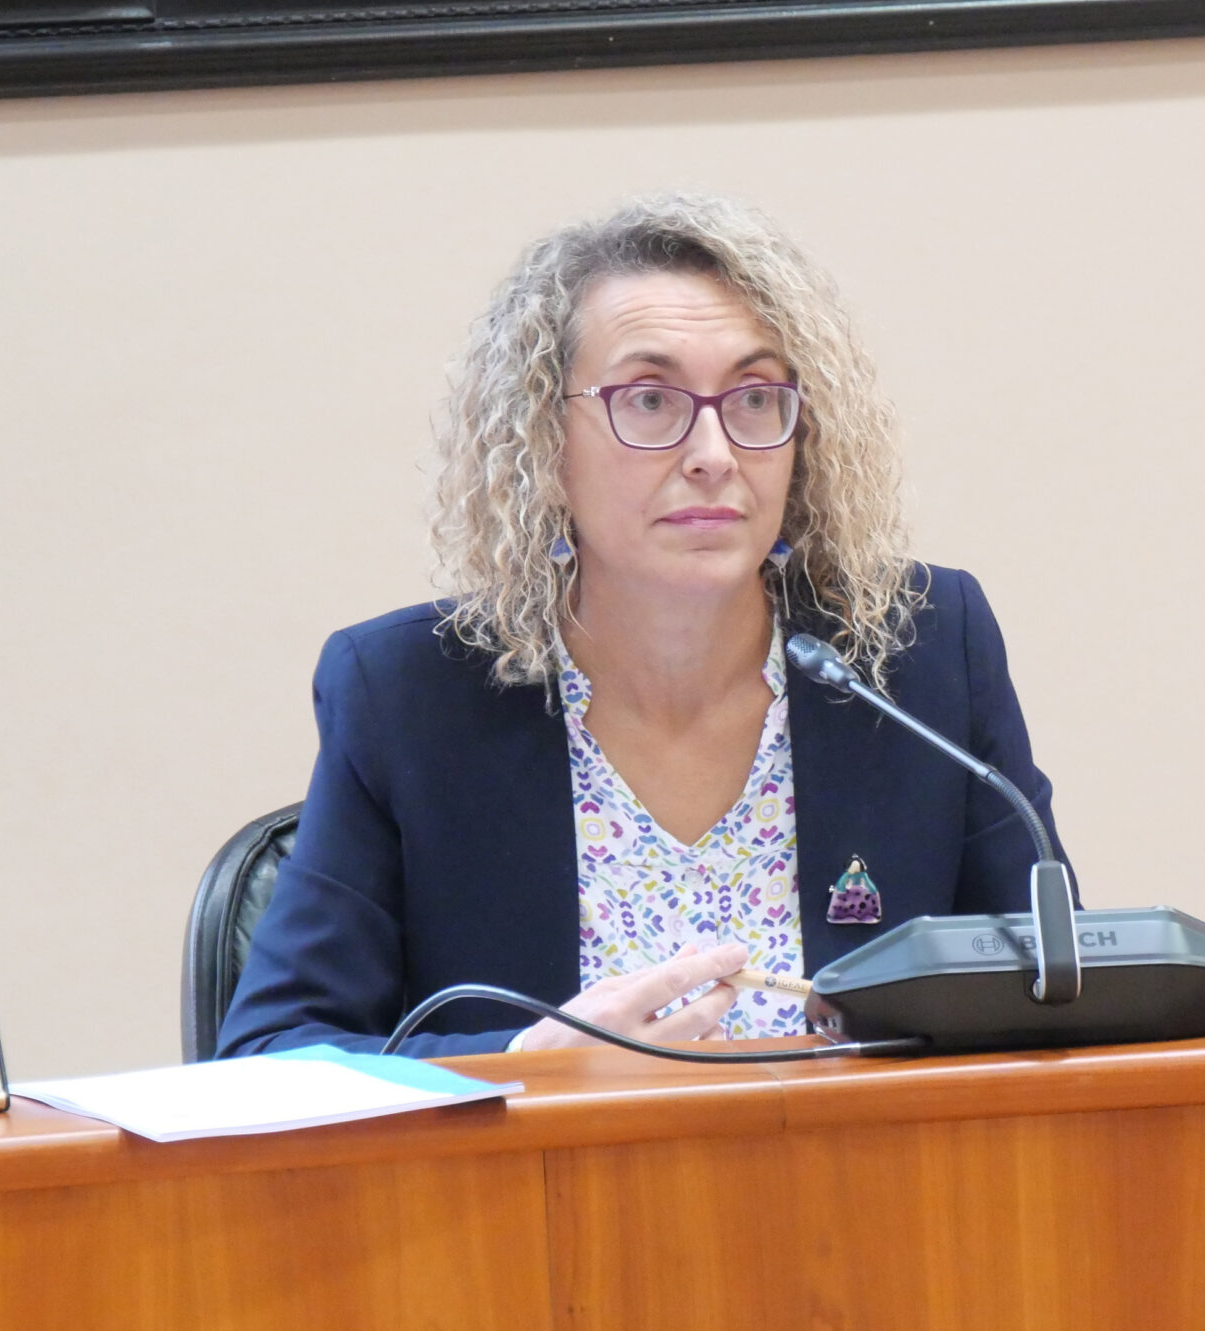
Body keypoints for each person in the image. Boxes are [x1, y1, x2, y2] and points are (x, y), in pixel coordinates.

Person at [216, 194, 1064, 1059]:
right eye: (651, 400)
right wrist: (525, 1065)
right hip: (546, 1194)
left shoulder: (917, 654)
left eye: (756, 398)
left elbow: (1056, 998)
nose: (714, 453)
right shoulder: (408, 697)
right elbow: (270, 1055)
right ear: (544, 444)